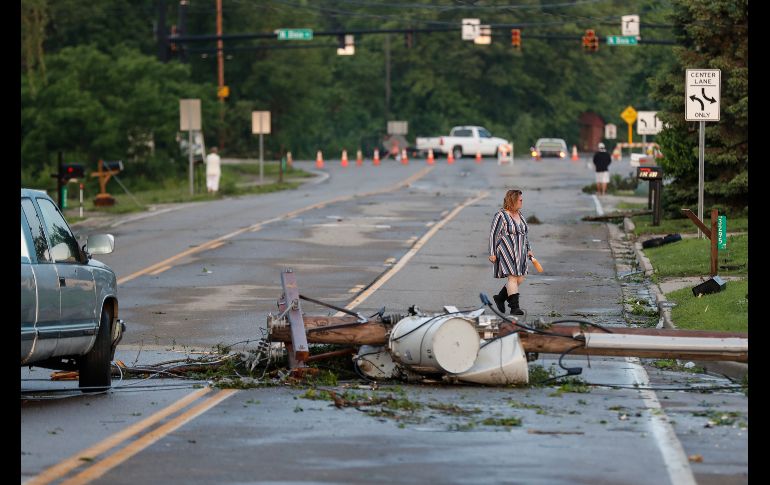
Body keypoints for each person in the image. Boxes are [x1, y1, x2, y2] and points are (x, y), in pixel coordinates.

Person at [488, 189, 534, 315]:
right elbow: (494, 235)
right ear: (513, 200)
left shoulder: (521, 216)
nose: (522, 202)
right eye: (520, 200)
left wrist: (529, 249)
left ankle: (500, 298)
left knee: (520, 279)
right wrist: (492, 252)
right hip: (506, 251)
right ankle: (514, 308)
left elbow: (525, 234)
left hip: (521, 252)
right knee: (513, 278)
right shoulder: (501, 216)